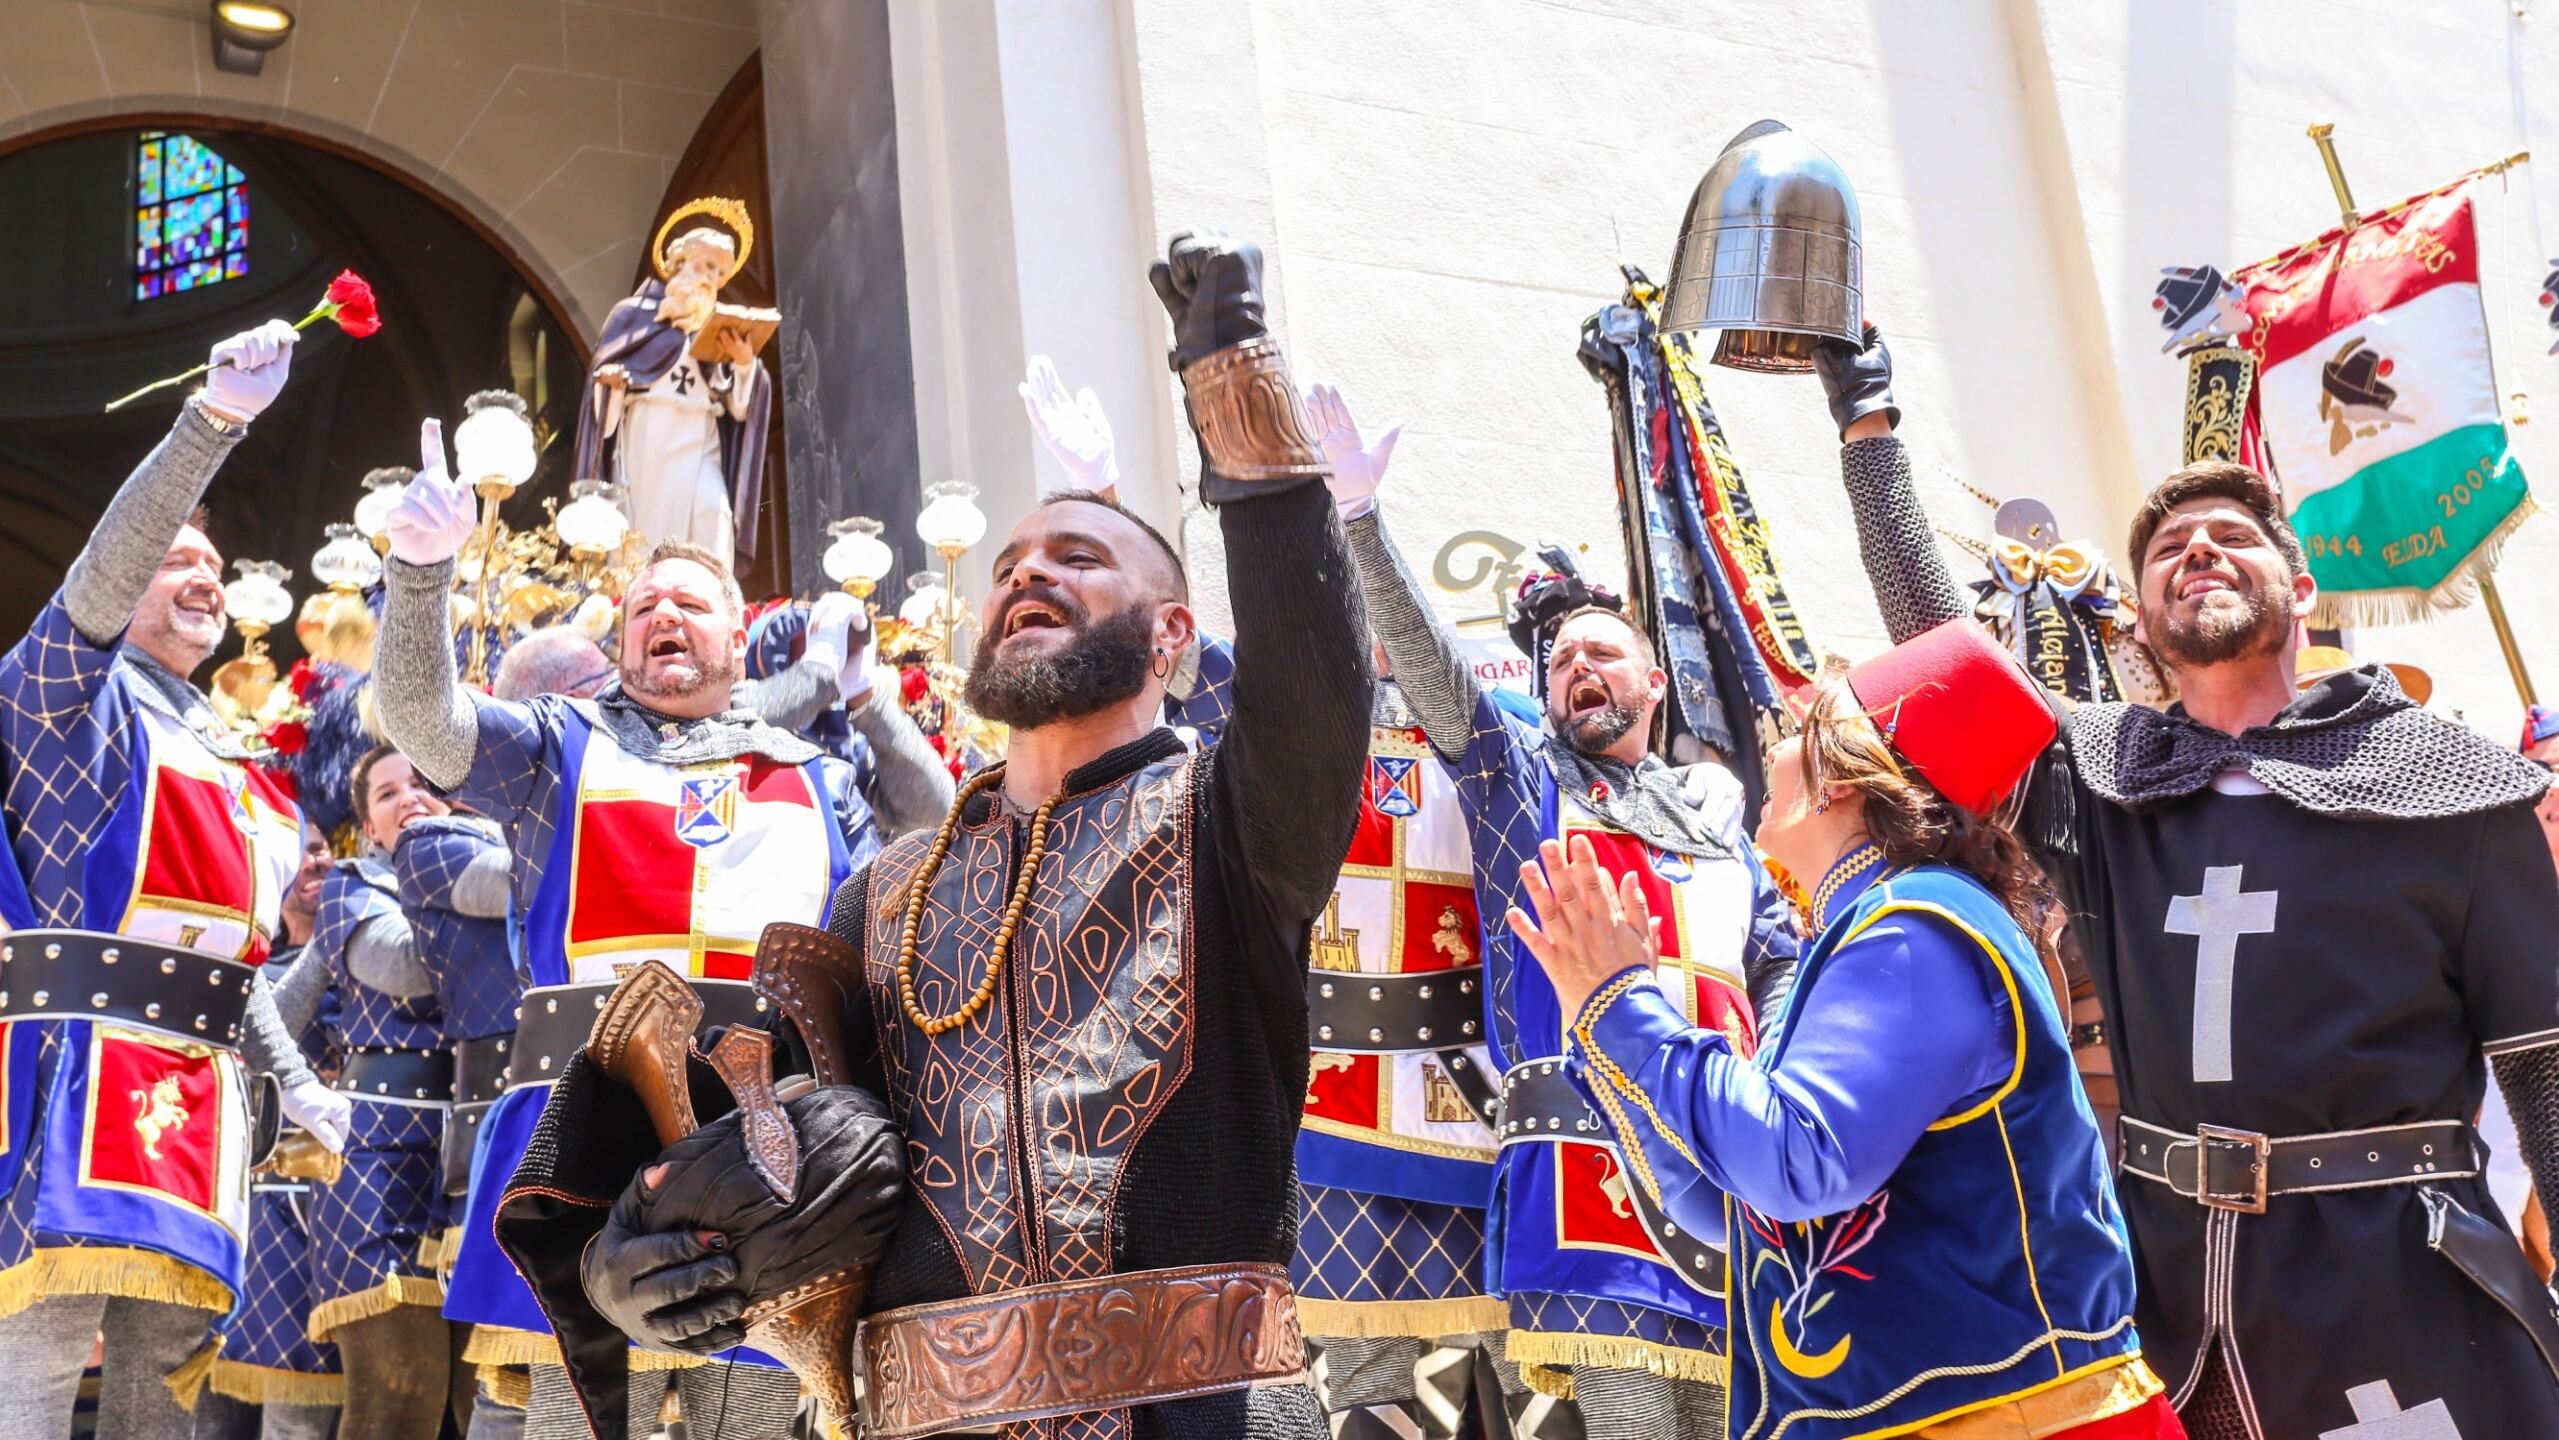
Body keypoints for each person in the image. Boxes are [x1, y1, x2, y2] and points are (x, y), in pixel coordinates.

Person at [516, 232, 1370, 1440]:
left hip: (1208, 1414)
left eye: (1079, 558)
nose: (1027, 575)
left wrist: (1232, 377)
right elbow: (753, 1129)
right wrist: (628, 1255)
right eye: (1009, 565)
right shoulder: (887, 893)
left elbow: (1316, 683)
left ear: (1171, 636)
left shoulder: (1232, 826)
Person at [1818, 325, 2559, 1438]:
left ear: (2301, 586)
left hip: (2397, 1289)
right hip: (2170, 1294)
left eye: (2229, 536)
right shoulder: (2106, 782)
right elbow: (1941, 660)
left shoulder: (2453, 787)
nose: (2196, 551)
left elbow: (2545, 1069)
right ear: (2145, 612)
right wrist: (1866, 427)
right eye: (2167, 548)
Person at [1510, 618, 2184, 1439]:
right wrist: (1602, 1020)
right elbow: (1729, 1209)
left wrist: (1625, 1005)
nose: (1772, 747)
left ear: (1840, 777)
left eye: (1799, 729)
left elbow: (1797, 1163)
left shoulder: (1916, 927)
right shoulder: (1864, 931)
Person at [375, 414, 895, 1440]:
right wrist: (421, 574)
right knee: (572, 1413)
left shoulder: (823, 780)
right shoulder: (553, 748)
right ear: (620, 645)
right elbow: (424, 723)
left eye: (689, 603)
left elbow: (870, 948)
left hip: (768, 1139)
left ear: (736, 639)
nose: (663, 614)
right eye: (644, 605)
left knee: (744, 1419)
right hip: (582, 1121)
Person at [1330, 382, 1797, 1430]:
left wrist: (1778, 1085)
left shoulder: (1719, 820)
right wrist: (1361, 519)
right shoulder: (1516, 778)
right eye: (1560, 661)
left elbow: (1779, 962)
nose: (1576, 665)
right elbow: (1431, 664)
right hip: (1584, 1166)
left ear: (1654, 685)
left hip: (1725, 1157)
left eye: (1602, 652)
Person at [0, 321, 355, 1439]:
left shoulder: (236, 756)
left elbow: (229, 963)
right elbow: (105, 571)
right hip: (68, 1076)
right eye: (176, 560)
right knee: (36, 1361)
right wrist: (211, 426)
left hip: (204, 1100)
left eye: (215, 567)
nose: (204, 577)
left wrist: (293, 1083)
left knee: (167, 1387)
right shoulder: (63, 698)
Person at [273, 744, 478, 1440]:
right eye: (387, 793)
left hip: (481, 1152)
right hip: (376, 1160)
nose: (409, 797)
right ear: (367, 828)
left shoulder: (502, 865)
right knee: (398, 1400)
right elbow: (398, 968)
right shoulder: (353, 886)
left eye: (420, 782)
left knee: (489, 1401)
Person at [574, 226, 769, 571]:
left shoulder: (718, 328)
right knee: (649, 530)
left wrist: (743, 364)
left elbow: (740, 410)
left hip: (703, 435)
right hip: (650, 430)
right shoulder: (631, 315)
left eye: (720, 274)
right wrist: (613, 385)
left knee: (714, 513)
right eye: (707, 265)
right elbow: (602, 413)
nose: (711, 279)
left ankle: (713, 595)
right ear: (680, 261)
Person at [736, 590, 954, 836]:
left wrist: (867, 699)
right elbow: (734, 727)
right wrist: (817, 671)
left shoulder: (840, 734)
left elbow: (932, 814)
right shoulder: (729, 703)